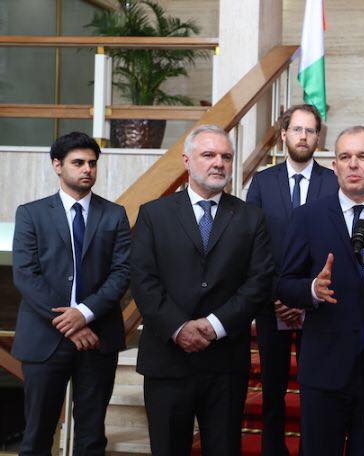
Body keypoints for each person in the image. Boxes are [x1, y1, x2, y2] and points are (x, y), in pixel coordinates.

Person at [277, 126, 364, 455]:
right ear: (335, 166)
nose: (353, 164)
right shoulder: (306, 217)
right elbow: (284, 284)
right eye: (345, 157)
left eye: (363, 156)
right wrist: (312, 289)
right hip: (324, 369)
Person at [130, 124, 274, 456]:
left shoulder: (251, 218)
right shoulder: (154, 214)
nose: (219, 163)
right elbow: (143, 279)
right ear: (186, 160)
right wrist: (179, 327)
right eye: (208, 155)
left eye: (226, 156)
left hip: (224, 363)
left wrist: (213, 325)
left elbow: (259, 282)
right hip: (167, 359)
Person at [12, 132, 131, 455]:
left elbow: (122, 273)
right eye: (78, 163)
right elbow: (25, 275)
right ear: (57, 166)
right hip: (44, 339)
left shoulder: (114, 215)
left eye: (92, 163)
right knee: (37, 435)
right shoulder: (30, 214)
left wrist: (85, 313)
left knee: (92, 437)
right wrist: (71, 320)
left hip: (98, 336)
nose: (87, 169)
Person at [246, 104, 338, 455]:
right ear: (283, 135)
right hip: (273, 306)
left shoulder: (332, 182)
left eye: (310, 131)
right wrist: (278, 297)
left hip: (319, 304)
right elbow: (254, 246)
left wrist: (305, 296)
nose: (303, 136)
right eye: (296, 129)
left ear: (318, 137)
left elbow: (336, 244)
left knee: (317, 386)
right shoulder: (262, 182)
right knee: (273, 388)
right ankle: (273, 449)